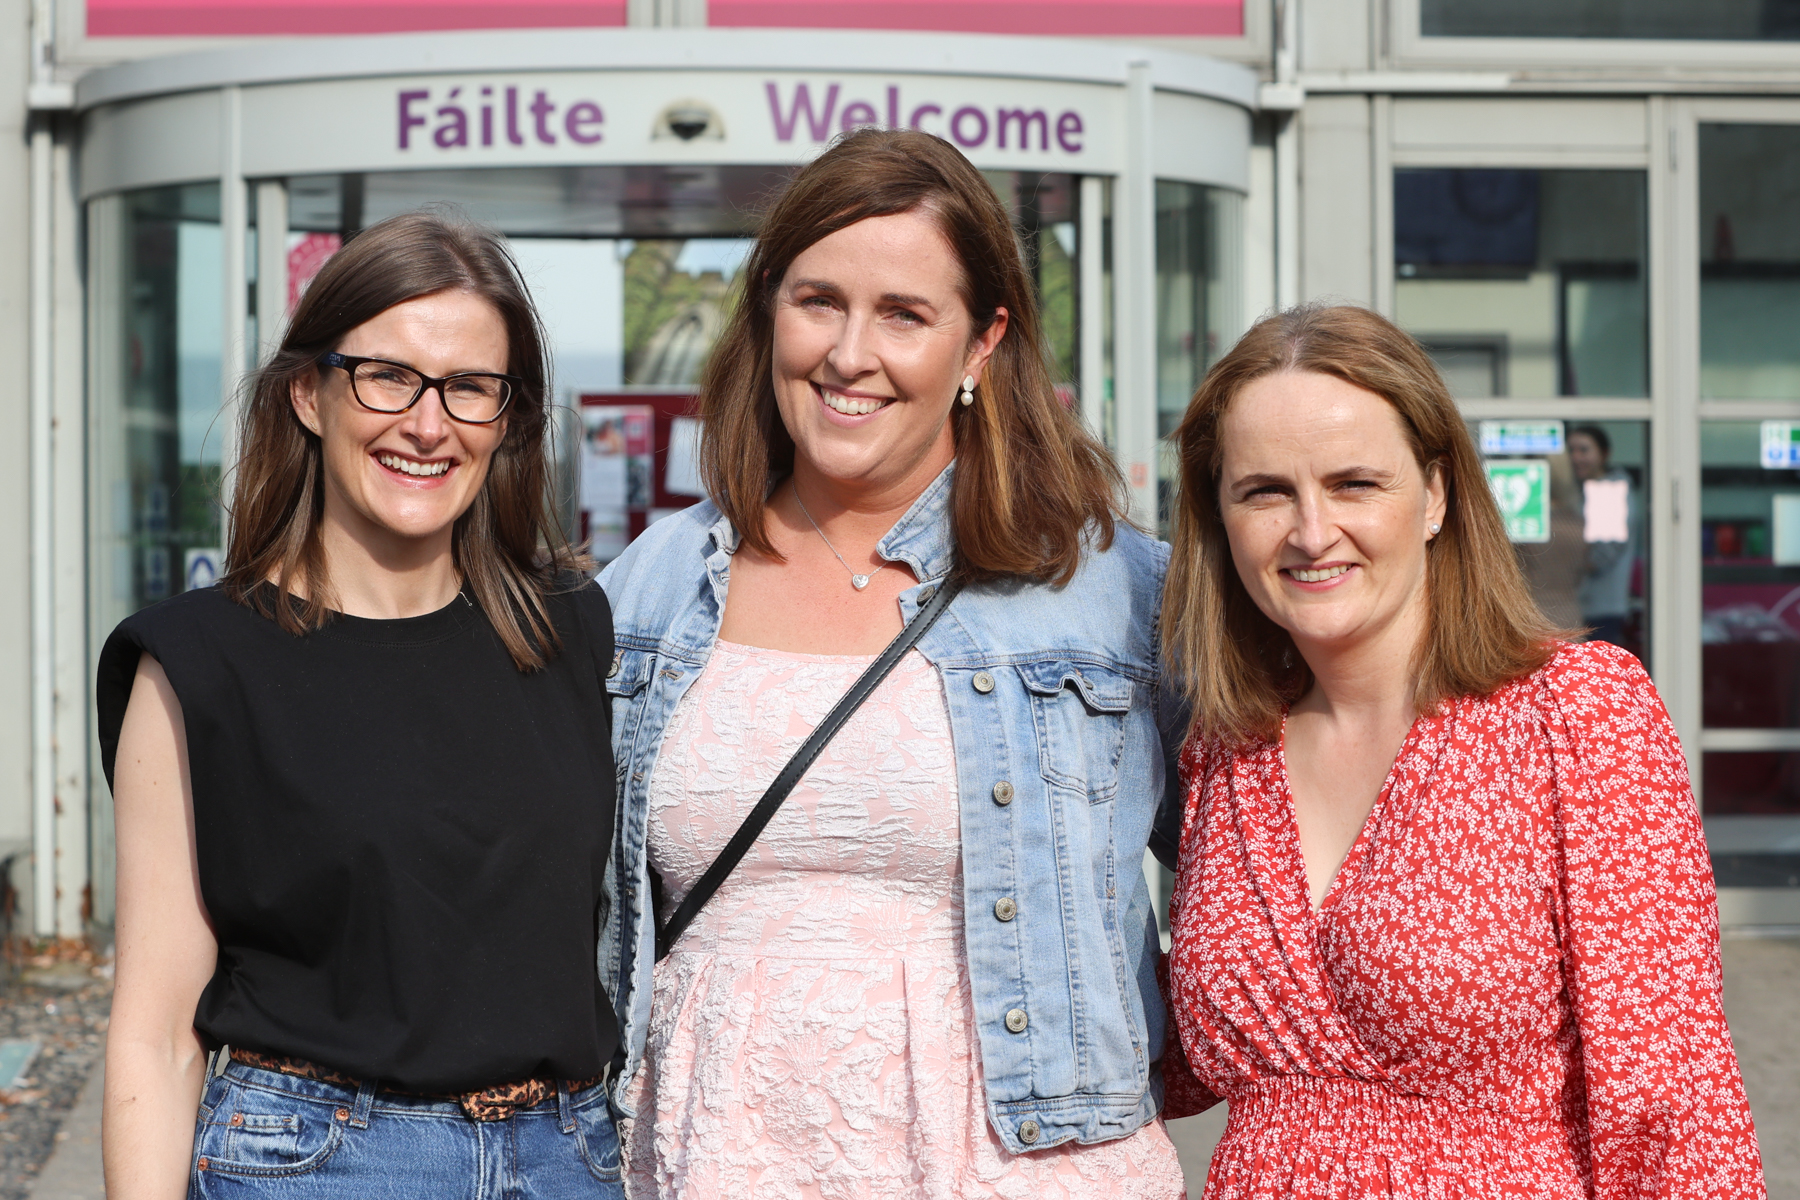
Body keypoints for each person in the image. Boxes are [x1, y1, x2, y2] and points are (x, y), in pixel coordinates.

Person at [599, 128, 1187, 1198]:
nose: (848, 353)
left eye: (905, 315)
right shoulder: (648, 587)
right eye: (818, 300)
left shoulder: (1113, 592)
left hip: (1017, 1165)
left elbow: (1264, 858)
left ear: (980, 344)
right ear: (768, 307)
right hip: (715, 1156)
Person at [1157, 304, 1764, 1198]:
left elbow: (1671, 1097)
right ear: (1219, 514)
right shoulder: (1228, 748)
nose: (1312, 531)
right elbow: (1168, 1059)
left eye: (1355, 483)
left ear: (1436, 495)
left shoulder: (1576, 714)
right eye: (1265, 491)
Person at [96, 211, 625, 1199]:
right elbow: (157, 1034)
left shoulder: (572, 630)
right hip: (315, 1164)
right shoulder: (200, 663)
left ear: (506, 418)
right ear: (308, 393)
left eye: (470, 388)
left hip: (567, 1159)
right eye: (389, 377)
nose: (428, 424)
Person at [1568, 423, 1636, 648]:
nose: (1576, 457)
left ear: (1604, 454)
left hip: (1598, 609)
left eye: (1584, 450)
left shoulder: (1607, 491)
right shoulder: (1587, 489)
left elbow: (1600, 556)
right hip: (1591, 607)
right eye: (1571, 450)